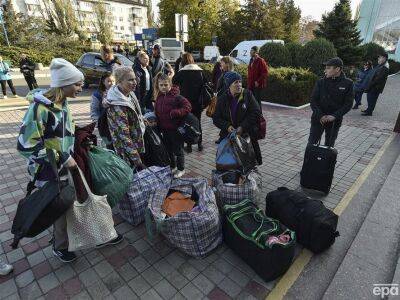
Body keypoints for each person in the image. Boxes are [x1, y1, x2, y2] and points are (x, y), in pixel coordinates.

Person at [17, 58, 123, 263]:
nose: (81, 87)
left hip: (67, 165)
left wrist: (82, 140)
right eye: (77, 84)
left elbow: (65, 132)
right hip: (49, 171)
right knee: (61, 207)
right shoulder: (40, 110)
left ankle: (98, 234)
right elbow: (26, 146)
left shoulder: (62, 103)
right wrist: (63, 158)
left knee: (78, 201)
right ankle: (60, 245)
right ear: (63, 85)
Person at [213, 71, 263, 165]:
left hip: (247, 137)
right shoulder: (222, 99)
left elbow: (256, 112)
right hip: (229, 138)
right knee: (230, 165)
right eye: (236, 82)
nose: (239, 84)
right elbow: (216, 118)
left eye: (240, 81)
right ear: (229, 85)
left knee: (249, 165)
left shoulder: (248, 94)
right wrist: (227, 126)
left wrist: (242, 127)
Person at [106, 66, 146, 171]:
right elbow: (124, 136)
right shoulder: (117, 105)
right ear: (119, 81)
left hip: (135, 144)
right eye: (130, 80)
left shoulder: (130, 94)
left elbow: (137, 113)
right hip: (126, 151)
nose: (135, 82)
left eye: (135, 79)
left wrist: (142, 119)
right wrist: (137, 159)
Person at [308, 57, 353, 147]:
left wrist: (334, 116)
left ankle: (325, 161)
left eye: (328, 68)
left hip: (334, 121)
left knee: (329, 146)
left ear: (337, 69)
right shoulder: (321, 82)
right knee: (311, 144)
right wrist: (320, 115)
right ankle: (309, 161)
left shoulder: (348, 83)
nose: (325, 70)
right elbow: (313, 100)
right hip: (318, 119)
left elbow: (348, 104)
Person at [154, 73, 191, 178]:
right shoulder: (159, 97)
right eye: (161, 85)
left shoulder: (176, 96)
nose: (163, 87)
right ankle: (173, 166)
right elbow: (158, 111)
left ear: (170, 85)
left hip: (175, 129)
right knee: (169, 150)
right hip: (164, 129)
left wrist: (176, 112)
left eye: (166, 85)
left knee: (178, 150)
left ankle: (181, 169)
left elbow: (188, 106)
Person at [173, 52, 206, 152]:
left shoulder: (182, 72)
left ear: (183, 61)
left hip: (186, 103)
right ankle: (200, 144)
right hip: (198, 102)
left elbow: (174, 81)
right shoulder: (200, 71)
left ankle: (189, 146)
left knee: (187, 123)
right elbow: (206, 84)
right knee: (198, 122)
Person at [90, 73, 115, 148]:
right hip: (104, 125)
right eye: (109, 81)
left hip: (115, 124)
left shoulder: (118, 93)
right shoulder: (97, 94)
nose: (112, 83)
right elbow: (94, 110)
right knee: (107, 144)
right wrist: (98, 123)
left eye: (113, 81)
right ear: (103, 82)